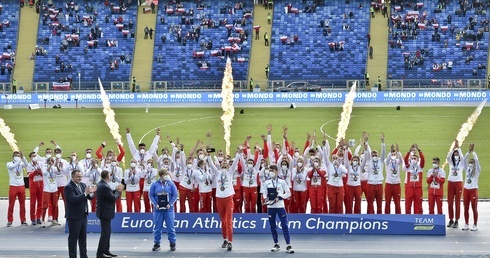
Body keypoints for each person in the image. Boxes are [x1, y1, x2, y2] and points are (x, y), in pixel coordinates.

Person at [207, 150, 241, 251]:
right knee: (223, 221)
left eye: (226, 166)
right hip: (219, 199)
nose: (224, 167)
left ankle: (230, 241)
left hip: (228, 198)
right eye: (223, 166)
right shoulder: (217, 173)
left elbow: (234, 165)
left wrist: (238, 154)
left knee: (229, 221)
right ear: (221, 166)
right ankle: (225, 239)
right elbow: (212, 165)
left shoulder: (230, 173)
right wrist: (209, 156)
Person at [262, 165, 294, 254]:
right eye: (269, 170)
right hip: (270, 207)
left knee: (284, 225)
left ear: (276, 171)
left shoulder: (282, 181)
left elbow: (288, 193)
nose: (270, 172)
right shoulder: (267, 182)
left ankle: (288, 245)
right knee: (272, 226)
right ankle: (276, 244)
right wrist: (265, 199)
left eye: (272, 170)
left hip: (280, 206)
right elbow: (264, 193)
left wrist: (280, 197)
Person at [65, 169, 96, 258]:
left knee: (83, 239)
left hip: (83, 216)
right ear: (72, 177)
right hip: (74, 217)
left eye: (81, 177)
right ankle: (72, 256)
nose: (80, 178)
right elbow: (73, 200)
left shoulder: (82, 185)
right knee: (73, 239)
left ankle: (84, 256)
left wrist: (91, 193)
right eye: (78, 177)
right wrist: (85, 194)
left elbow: (89, 198)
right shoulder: (69, 187)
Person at [96, 170, 124, 258]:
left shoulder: (102, 184)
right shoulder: (104, 186)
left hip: (104, 211)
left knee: (107, 232)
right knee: (105, 232)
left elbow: (108, 194)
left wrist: (115, 190)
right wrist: (118, 191)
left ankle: (106, 250)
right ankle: (100, 253)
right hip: (105, 212)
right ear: (108, 177)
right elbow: (112, 198)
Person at [150, 168, 178, 252]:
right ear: (161, 175)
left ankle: (172, 243)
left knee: (170, 227)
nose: (167, 175)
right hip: (158, 209)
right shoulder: (154, 184)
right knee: (157, 227)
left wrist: (170, 204)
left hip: (169, 209)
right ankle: (157, 243)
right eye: (165, 174)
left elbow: (175, 194)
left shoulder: (171, 183)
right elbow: (151, 195)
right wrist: (155, 204)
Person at [6, 151, 28, 227]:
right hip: (13, 186)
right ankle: (9, 220)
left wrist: (23, 157)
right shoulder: (9, 164)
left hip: (21, 186)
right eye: (15, 155)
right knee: (11, 204)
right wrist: (19, 161)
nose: (16, 156)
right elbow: (12, 167)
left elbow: (26, 164)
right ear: (13, 156)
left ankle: (23, 220)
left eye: (18, 155)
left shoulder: (21, 164)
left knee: (22, 204)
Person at [462, 144, 480, 231]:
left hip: (473, 190)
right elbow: (464, 160)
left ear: (475, 164)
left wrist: (473, 152)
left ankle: (475, 224)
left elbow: (477, 160)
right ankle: (466, 223)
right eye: (470, 162)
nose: (470, 163)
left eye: (472, 162)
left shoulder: (477, 170)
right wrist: (468, 152)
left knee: (474, 208)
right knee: (466, 207)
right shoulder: (467, 169)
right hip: (466, 190)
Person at [446, 140, 464, 228]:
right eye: (455, 154)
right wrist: (453, 149)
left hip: (458, 183)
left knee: (457, 202)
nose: (456, 155)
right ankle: (451, 219)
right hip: (450, 182)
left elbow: (462, 157)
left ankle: (457, 220)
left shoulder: (461, 163)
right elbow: (448, 157)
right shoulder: (451, 163)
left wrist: (458, 148)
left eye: (457, 154)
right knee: (450, 202)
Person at [26, 152, 44, 225]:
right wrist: (36, 171)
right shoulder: (29, 165)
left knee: (40, 202)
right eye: (33, 156)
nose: (35, 157)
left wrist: (40, 172)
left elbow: (44, 173)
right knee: (33, 203)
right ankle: (33, 218)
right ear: (30, 157)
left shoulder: (41, 163)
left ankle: (38, 217)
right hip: (33, 185)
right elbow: (29, 176)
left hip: (41, 185)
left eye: (35, 156)